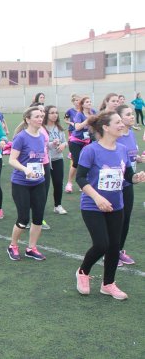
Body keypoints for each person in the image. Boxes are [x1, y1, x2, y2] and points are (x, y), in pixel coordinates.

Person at [75, 111, 145, 300]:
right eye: (118, 122)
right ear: (106, 127)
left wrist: (135, 178)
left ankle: (108, 284)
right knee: (101, 244)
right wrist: (97, 198)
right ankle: (83, 271)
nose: (122, 125)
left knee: (114, 245)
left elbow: (127, 175)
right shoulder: (91, 150)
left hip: (116, 205)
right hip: (92, 205)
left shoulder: (121, 149)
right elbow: (80, 178)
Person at [6, 107, 47, 261]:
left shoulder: (42, 136)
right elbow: (12, 160)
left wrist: (41, 170)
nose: (40, 119)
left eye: (41, 116)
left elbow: (39, 158)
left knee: (38, 217)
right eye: (36, 116)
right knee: (23, 219)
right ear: (27, 119)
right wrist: (25, 170)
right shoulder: (21, 137)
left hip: (38, 182)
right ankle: (13, 246)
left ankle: (31, 248)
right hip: (21, 183)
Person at [115, 105, 142, 266]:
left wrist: (137, 159)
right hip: (115, 186)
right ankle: (110, 252)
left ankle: (118, 250)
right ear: (119, 118)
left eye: (132, 114)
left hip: (128, 184)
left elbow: (129, 157)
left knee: (126, 219)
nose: (132, 117)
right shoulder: (115, 136)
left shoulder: (131, 134)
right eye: (129, 114)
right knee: (116, 220)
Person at [43, 105, 68, 215]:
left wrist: (63, 145)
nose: (55, 115)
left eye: (56, 113)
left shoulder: (59, 127)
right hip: (45, 160)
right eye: (52, 113)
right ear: (46, 114)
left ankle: (57, 205)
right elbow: (41, 143)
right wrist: (51, 144)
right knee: (44, 185)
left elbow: (65, 141)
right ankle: (40, 206)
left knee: (58, 183)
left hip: (58, 159)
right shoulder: (42, 128)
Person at [66, 97, 93, 193]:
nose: (89, 103)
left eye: (90, 101)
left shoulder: (93, 112)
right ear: (82, 104)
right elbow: (77, 127)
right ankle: (69, 183)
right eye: (87, 102)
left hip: (87, 141)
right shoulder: (79, 114)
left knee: (86, 162)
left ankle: (83, 184)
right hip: (76, 141)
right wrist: (87, 121)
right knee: (76, 162)